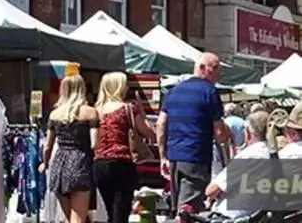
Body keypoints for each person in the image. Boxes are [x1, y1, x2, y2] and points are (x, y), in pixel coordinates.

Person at [156, 52, 230, 218]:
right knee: (189, 210)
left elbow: (161, 124)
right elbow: (219, 132)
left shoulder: (173, 91)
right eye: (216, 68)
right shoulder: (209, 92)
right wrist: (227, 141)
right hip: (196, 157)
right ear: (202, 68)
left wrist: (163, 156)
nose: (219, 74)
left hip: (174, 157)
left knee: (179, 207)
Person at [93, 72, 156, 223]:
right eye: (125, 84)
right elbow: (148, 132)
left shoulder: (96, 110)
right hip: (122, 162)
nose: (127, 87)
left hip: (99, 163)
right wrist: (142, 112)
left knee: (110, 210)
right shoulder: (128, 108)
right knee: (121, 211)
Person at [41, 75, 99, 223]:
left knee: (68, 219)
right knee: (78, 219)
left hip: (59, 166)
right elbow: (94, 143)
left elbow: (47, 146)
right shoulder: (90, 112)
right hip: (80, 164)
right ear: (82, 89)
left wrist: (45, 163)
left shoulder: (55, 114)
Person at [204, 111, 270, 219]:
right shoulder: (277, 155)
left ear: (248, 133)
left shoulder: (248, 156)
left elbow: (210, 191)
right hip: (260, 214)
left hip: (233, 216)